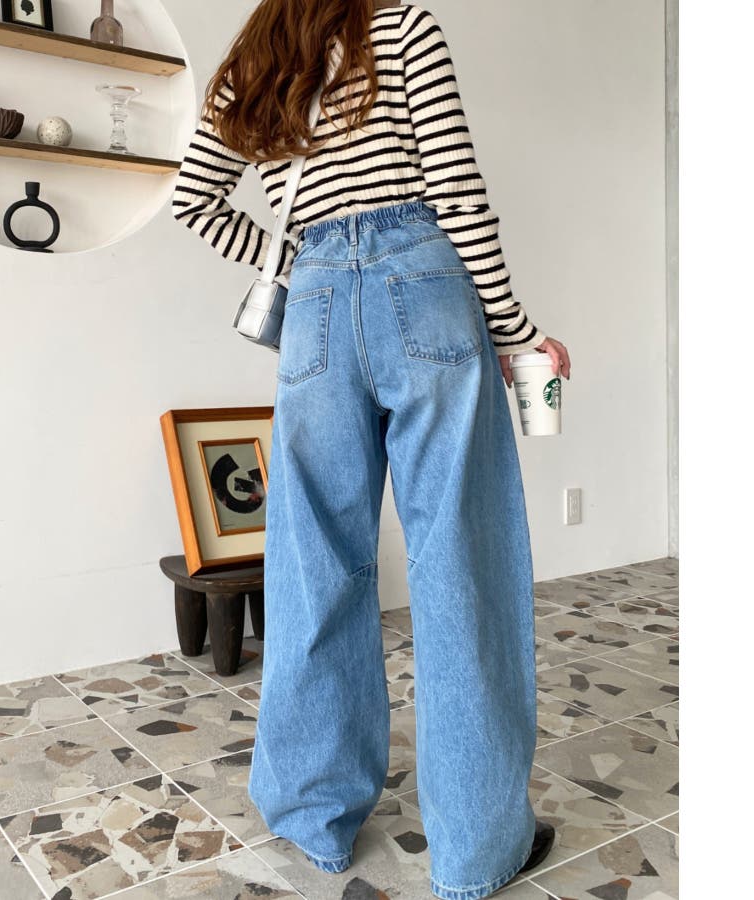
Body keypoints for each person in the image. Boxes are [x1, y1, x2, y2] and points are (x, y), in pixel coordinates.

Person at [172, 2, 569, 897]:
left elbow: (193, 199)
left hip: (314, 306)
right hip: (422, 284)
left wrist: (294, 262)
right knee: (460, 561)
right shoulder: (403, 25)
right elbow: (457, 195)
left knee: (313, 566)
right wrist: (517, 332)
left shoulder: (259, 53)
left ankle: (315, 818)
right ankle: (476, 849)